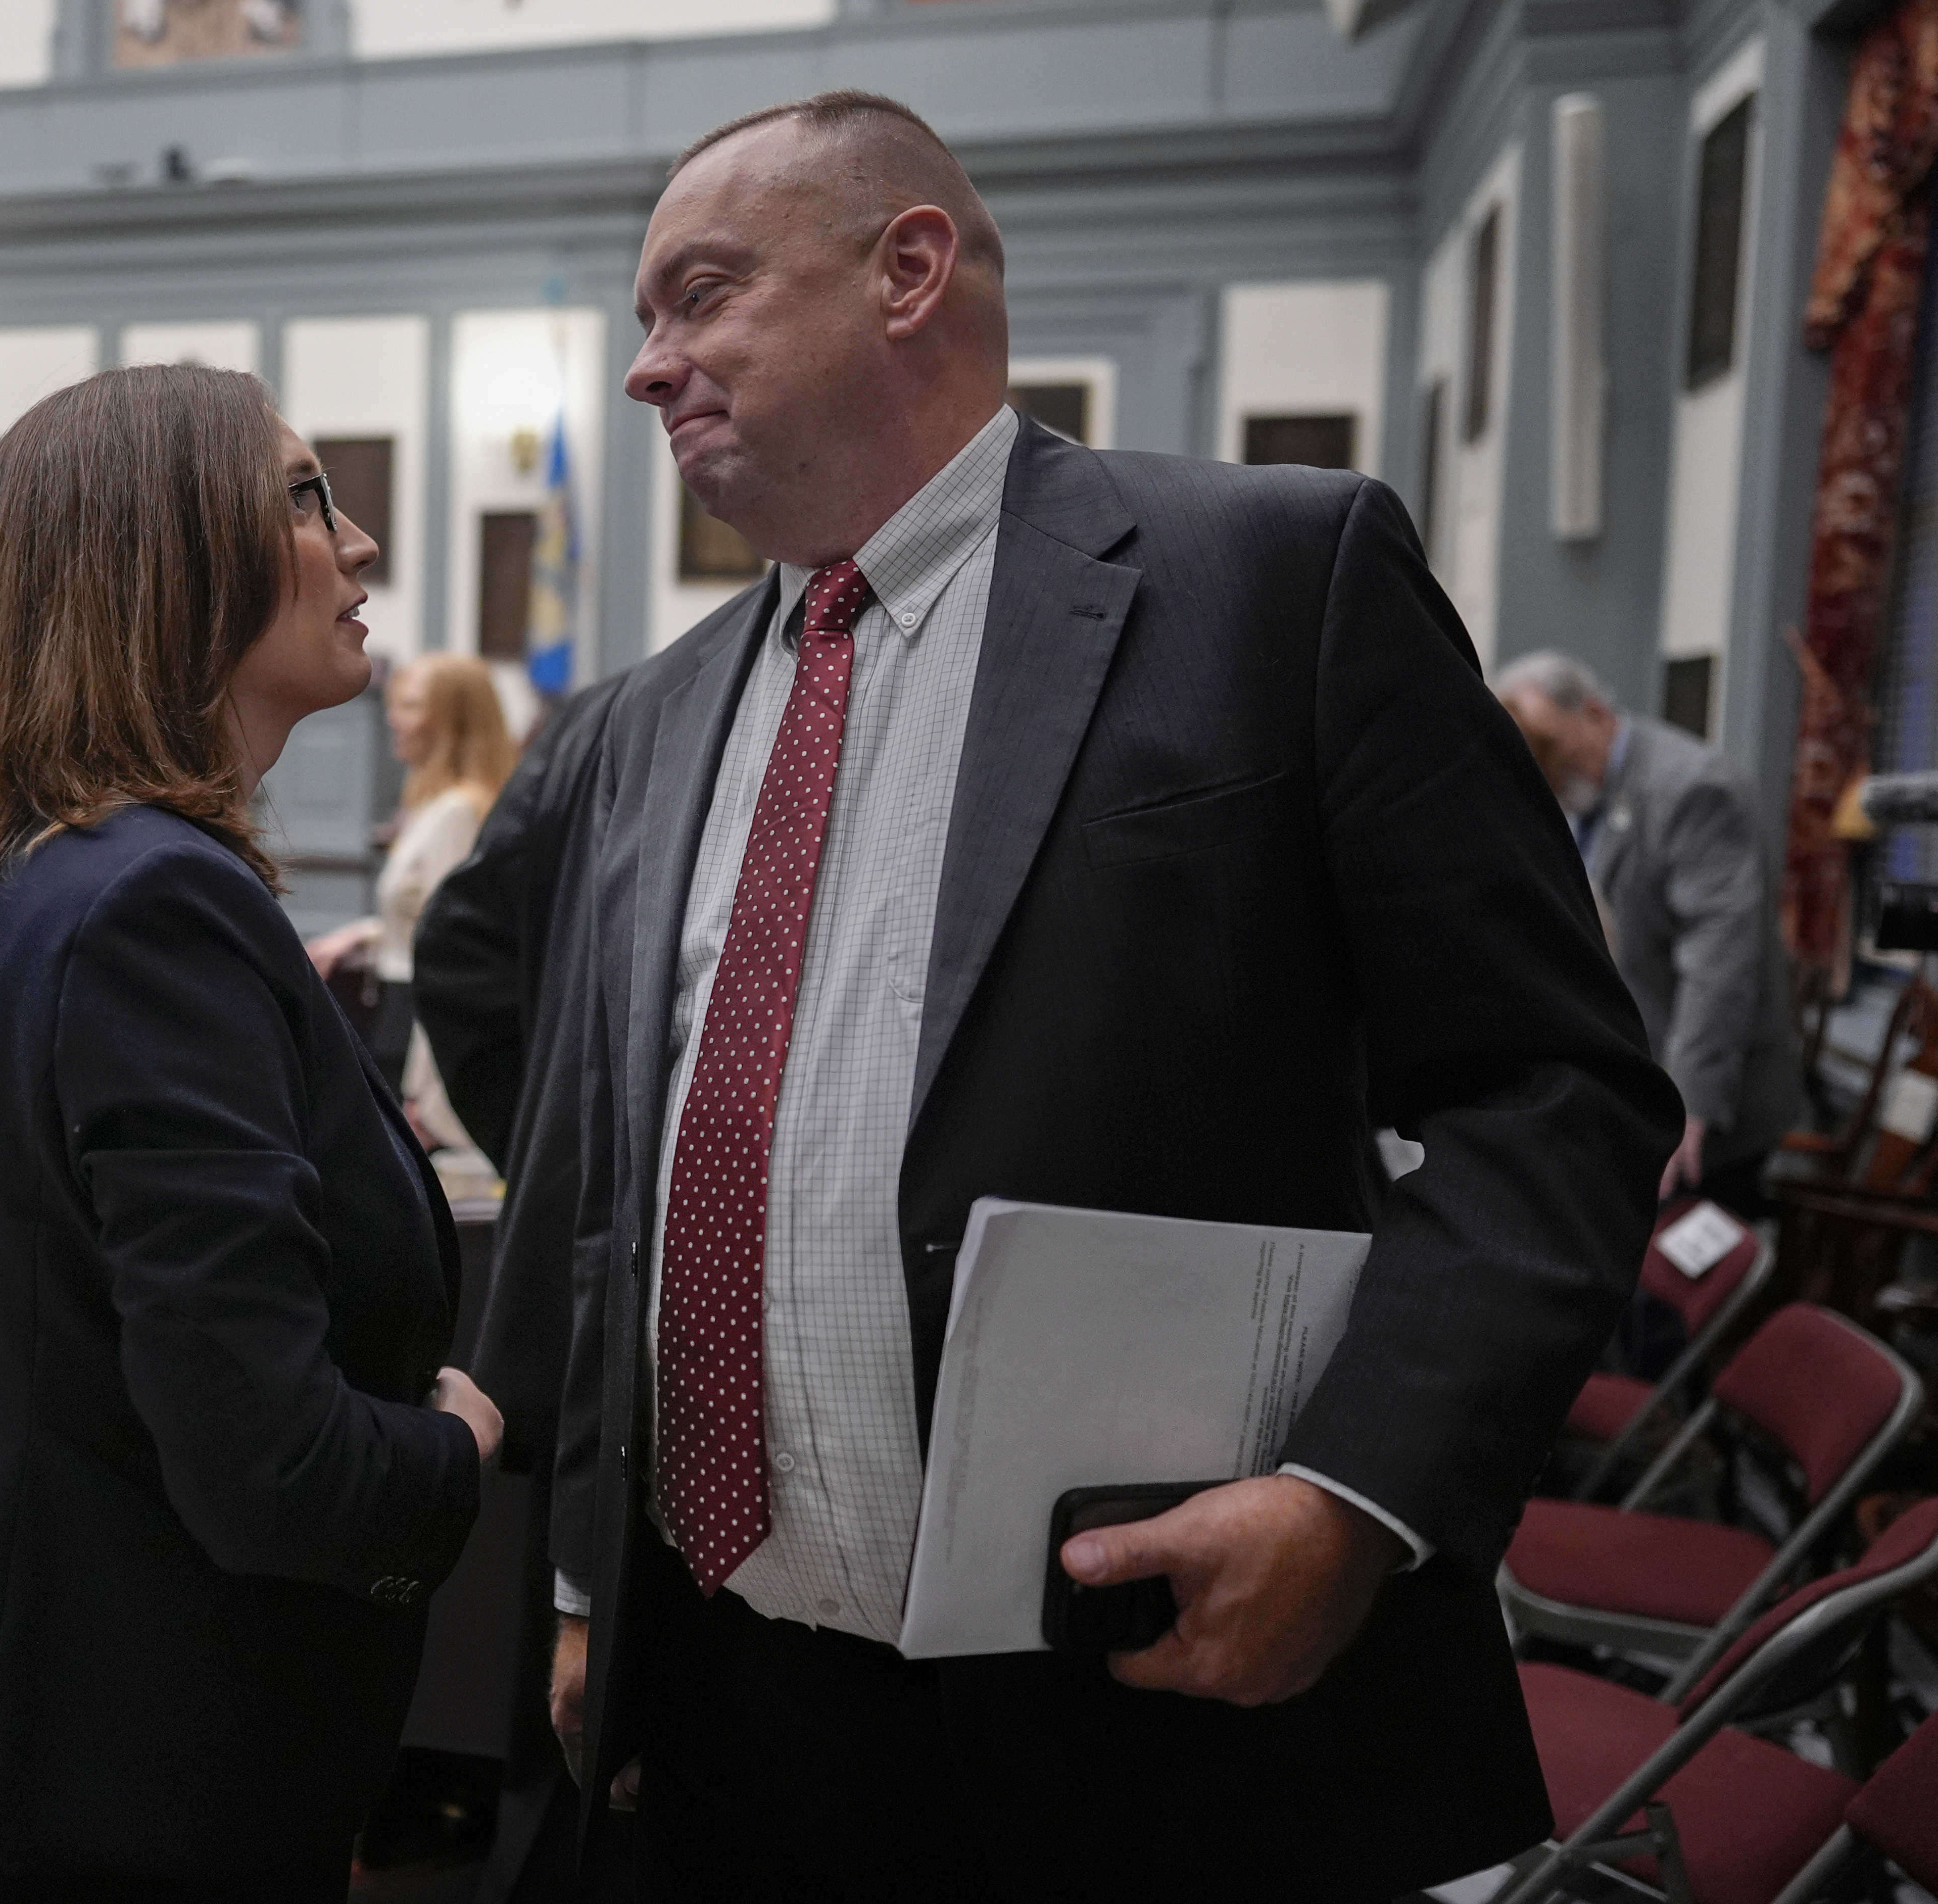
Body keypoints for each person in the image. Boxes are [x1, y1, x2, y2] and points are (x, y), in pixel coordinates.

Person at [548, 91, 1679, 1901]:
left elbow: (1557, 1085)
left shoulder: (1274, 578)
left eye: (696, 297)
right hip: (730, 1698)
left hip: (1145, 1683)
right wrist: (583, 1576)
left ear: (906, 269)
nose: (649, 369)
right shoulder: (656, 715)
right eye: (642, 326)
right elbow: (621, 1180)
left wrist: (1353, 1494)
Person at [0, 364, 503, 1903]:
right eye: (304, 496)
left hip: (37, 1707)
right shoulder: (152, 900)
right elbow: (267, 1462)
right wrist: (459, 1449)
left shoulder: (17, 867)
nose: (362, 544)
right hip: (144, 1752)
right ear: (164, 554)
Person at [409, 667, 637, 1898]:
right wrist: (571, 1167)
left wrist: (555, 1163)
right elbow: (460, 947)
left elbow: (457, 952)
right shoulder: (639, 711)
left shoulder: (612, 708)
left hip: (587, 1310)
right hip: (616, 1339)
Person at [1497, 651, 1801, 1214]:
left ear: (1594, 714)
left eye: (1551, 749)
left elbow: (1719, 964)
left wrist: (1686, 1108)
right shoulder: (1579, 797)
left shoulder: (1691, 790)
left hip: (1707, 1108)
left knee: (1676, 1287)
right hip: (1632, 1096)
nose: (1548, 773)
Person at [305, 652, 518, 1144]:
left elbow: (450, 948)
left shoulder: (456, 814)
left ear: (451, 720)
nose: (391, 717)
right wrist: (363, 931)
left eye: (408, 705)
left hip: (417, 1027)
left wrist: (428, 1086)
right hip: (400, 1012)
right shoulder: (430, 805)